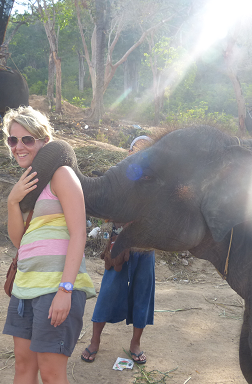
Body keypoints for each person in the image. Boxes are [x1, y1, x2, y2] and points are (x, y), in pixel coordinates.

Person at [2, 105, 96, 384]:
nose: (19, 146)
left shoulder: (62, 175)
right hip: (25, 288)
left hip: (56, 289)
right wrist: (12, 201)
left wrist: (65, 290)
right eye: (12, 140)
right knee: (23, 367)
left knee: (52, 373)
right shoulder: (27, 185)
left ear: (44, 141)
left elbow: (79, 234)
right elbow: (20, 241)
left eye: (27, 139)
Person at [81, 135, 155, 365]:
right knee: (109, 290)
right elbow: (106, 210)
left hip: (145, 246)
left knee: (143, 293)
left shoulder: (158, 183)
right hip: (120, 243)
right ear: (129, 153)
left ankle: (135, 344)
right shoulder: (119, 179)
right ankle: (95, 341)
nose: (141, 154)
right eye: (136, 149)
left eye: (147, 151)